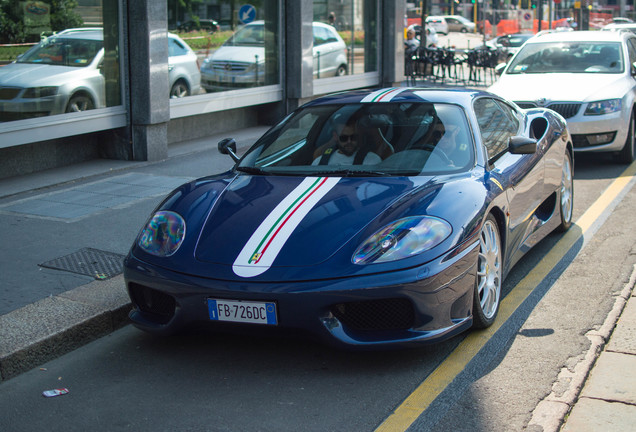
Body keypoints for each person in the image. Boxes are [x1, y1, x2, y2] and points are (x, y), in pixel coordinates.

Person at [313, 119, 382, 165]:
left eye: (353, 137)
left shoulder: (372, 161)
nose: (349, 142)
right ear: (335, 137)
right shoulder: (321, 162)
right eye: (344, 138)